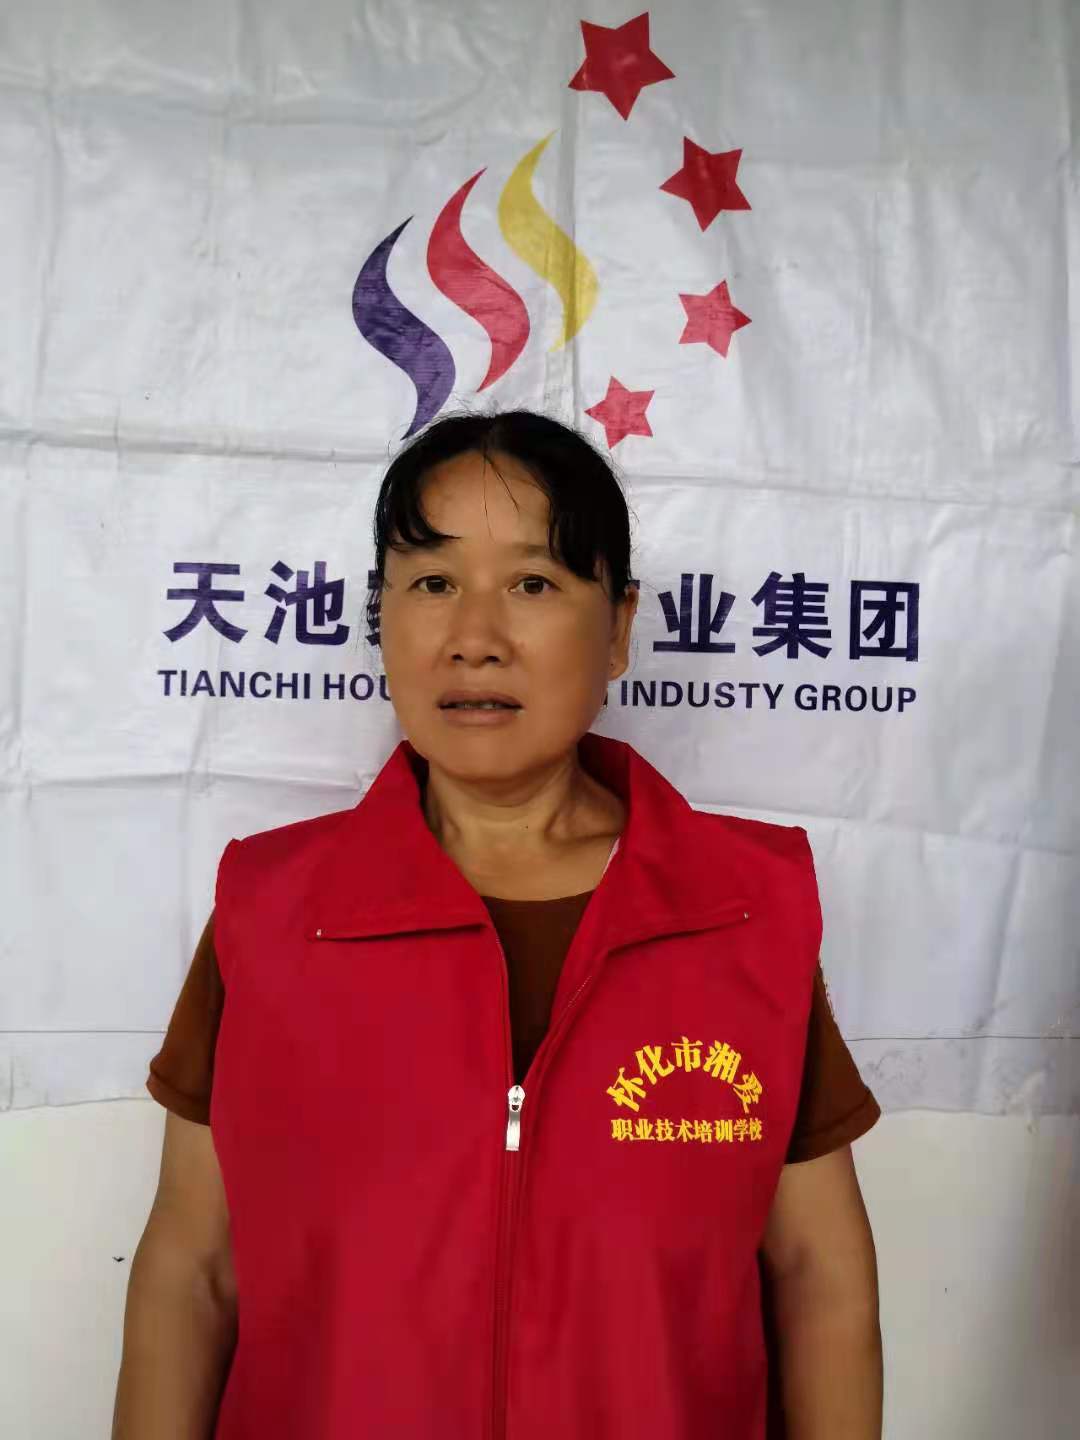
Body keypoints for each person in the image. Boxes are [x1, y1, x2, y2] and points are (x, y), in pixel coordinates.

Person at [113, 409, 883, 1439]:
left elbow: (820, 1274)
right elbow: (191, 1271)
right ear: (382, 616)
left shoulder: (745, 911)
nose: (474, 638)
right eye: (433, 583)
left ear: (618, 629)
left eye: (533, 583)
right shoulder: (275, 913)